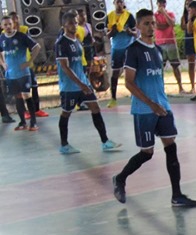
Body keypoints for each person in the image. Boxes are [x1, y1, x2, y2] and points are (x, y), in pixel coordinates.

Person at [113, 9, 196, 209]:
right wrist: (151, 104)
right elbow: (129, 83)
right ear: (138, 27)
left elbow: (156, 79)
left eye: (152, 23)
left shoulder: (158, 50)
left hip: (163, 107)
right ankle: (120, 178)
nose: (151, 27)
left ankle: (177, 195)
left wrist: (162, 103)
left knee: (171, 147)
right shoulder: (133, 50)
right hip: (145, 110)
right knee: (147, 152)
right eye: (146, 24)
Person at [55, 11, 122, 154]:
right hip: (70, 86)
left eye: (75, 22)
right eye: (71, 23)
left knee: (95, 108)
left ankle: (105, 141)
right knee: (66, 113)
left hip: (83, 82)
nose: (74, 25)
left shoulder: (77, 40)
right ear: (64, 25)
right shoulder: (61, 43)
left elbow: (79, 63)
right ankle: (64, 145)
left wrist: (85, 80)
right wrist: (80, 84)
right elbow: (65, 68)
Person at [0, 14, 40, 131]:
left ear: (14, 24)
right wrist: (3, 63)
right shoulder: (2, 38)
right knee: (17, 96)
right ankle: (22, 122)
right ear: (2, 26)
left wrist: (29, 62)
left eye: (10, 24)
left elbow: (37, 47)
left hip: (23, 73)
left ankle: (33, 122)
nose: (8, 26)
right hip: (11, 74)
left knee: (26, 95)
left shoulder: (21, 36)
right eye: (5, 25)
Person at [106, 0, 137, 107]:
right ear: (114, 3)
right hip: (117, 48)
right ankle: (113, 98)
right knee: (115, 73)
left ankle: (135, 95)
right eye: (117, 2)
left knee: (131, 72)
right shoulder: (109, 16)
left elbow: (135, 32)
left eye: (121, 2)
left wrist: (129, 32)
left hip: (129, 47)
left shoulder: (129, 16)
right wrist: (113, 31)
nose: (119, 4)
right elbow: (107, 35)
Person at [155, 0, 187, 94]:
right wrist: (166, 24)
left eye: (163, 3)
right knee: (160, 67)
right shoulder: (154, 15)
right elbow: (157, 26)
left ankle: (180, 87)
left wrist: (164, 13)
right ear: (157, 4)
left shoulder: (170, 13)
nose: (162, 4)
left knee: (175, 65)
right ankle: (160, 88)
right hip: (159, 43)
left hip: (170, 42)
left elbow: (172, 23)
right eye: (160, 3)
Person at [181, 0, 196, 93]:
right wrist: (189, 18)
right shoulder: (184, 17)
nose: (188, 6)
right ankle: (193, 86)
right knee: (191, 64)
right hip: (189, 41)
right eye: (187, 4)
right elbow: (185, 28)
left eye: (190, 4)